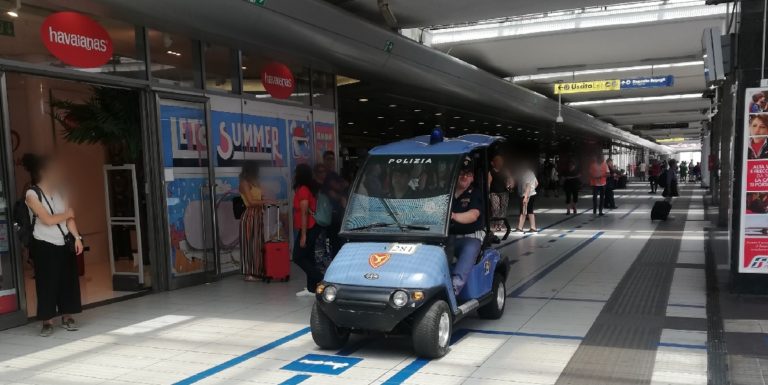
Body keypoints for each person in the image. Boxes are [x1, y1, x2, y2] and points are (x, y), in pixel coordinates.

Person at [22, 154, 83, 337]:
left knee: (68, 280)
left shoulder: (61, 191)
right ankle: (47, 321)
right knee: (47, 283)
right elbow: (48, 220)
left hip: (64, 242)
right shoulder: (32, 194)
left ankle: (67, 316)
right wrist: (67, 214)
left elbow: (70, 218)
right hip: (44, 244)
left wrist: (77, 237)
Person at [448, 156, 485, 295]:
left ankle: (453, 289)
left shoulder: (475, 193)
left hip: (470, 237)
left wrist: (454, 216)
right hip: (447, 236)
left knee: (468, 250)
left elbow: (473, 215)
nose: (464, 176)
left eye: (468, 174)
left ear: (472, 178)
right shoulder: (448, 194)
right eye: (461, 173)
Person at [292, 163, 323, 297]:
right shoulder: (309, 188)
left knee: (298, 257)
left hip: (308, 227)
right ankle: (312, 288)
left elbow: (304, 213)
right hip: (312, 227)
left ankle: (320, 277)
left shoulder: (303, 190)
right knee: (309, 257)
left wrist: (303, 234)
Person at [238, 161, 268, 282]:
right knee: (250, 244)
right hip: (250, 216)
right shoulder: (244, 183)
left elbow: (261, 198)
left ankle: (258, 270)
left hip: (259, 215)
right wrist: (266, 201)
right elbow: (250, 202)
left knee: (258, 243)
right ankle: (250, 272)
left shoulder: (256, 182)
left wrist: (264, 200)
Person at [321, 151, 348, 258]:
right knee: (333, 240)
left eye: (332, 159)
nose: (331, 161)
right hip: (330, 213)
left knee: (337, 240)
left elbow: (344, 185)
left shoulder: (334, 174)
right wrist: (339, 192)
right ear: (324, 160)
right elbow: (338, 188)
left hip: (337, 213)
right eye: (328, 159)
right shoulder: (327, 175)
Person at [489, 154, 512, 232]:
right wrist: (488, 192)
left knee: (503, 208)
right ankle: (496, 223)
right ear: (494, 163)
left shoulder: (505, 170)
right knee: (495, 208)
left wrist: (509, 184)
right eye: (498, 161)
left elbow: (509, 179)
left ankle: (500, 224)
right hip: (494, 192)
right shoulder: (491, 172)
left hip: (504, 191)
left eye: (501, 161)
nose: (500, 163)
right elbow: (489, 182)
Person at [516, 160, 539, 232]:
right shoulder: (531, 173)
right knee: (530, 211)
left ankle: (520, 228)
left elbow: (528, 186)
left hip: (526, 195)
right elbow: (536, 183)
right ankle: (533, 227)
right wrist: (532, 190)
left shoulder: (526, 174)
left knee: (524, 211)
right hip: (532, 194)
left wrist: (526, 197)